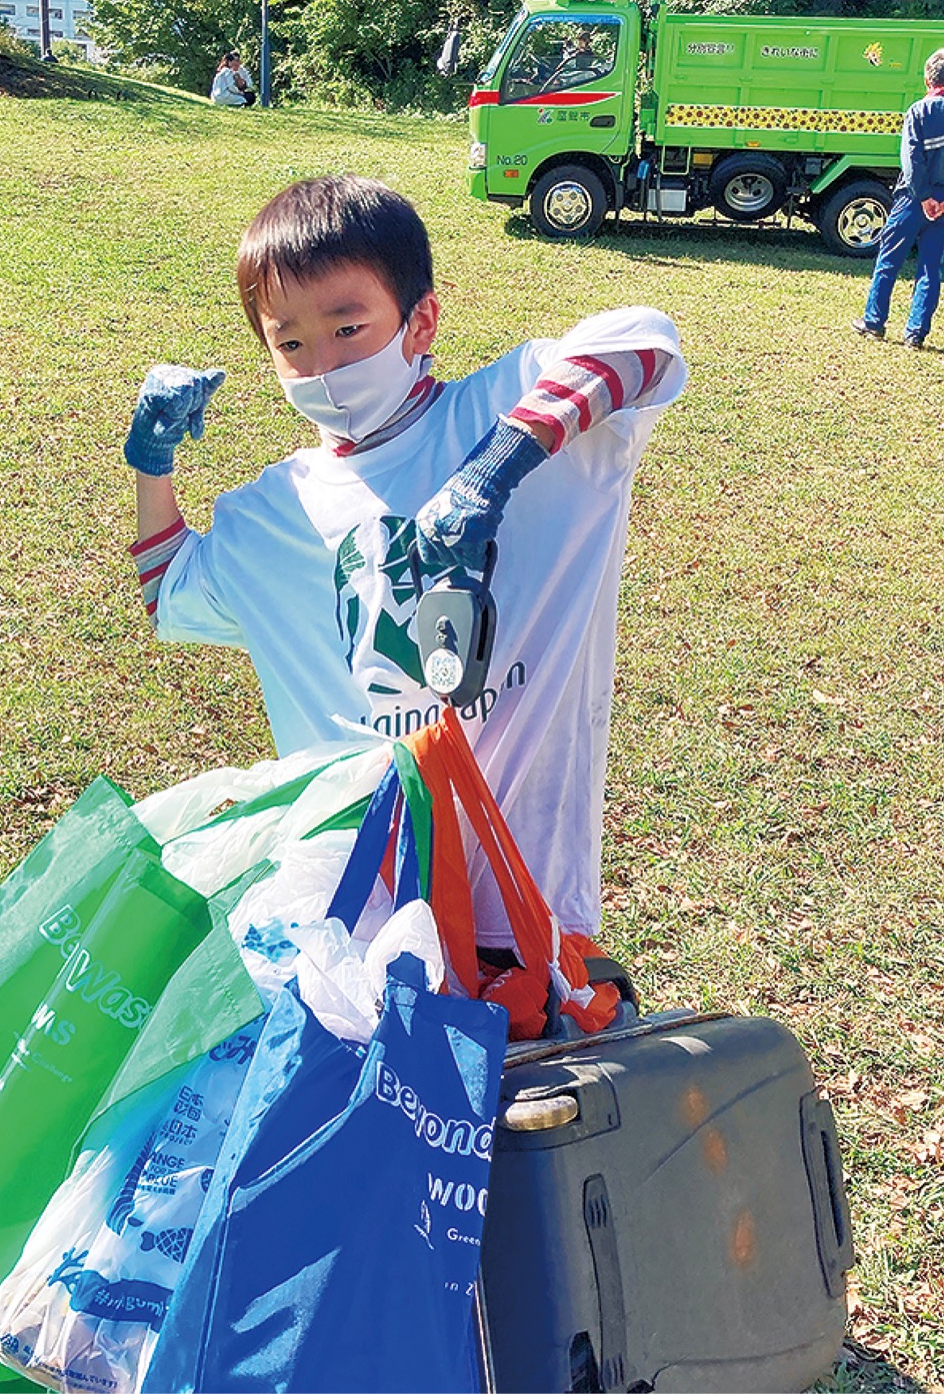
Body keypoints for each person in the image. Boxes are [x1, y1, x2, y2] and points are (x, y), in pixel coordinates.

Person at [123, 175, 685, 952]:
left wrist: (494, 470)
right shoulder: (268, 513)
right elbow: (170, 594)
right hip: (350, 924)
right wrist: (153, 463)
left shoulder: (508, 409)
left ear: (420, 321)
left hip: (522, 916)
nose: (320, 364)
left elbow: (645, 339)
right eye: (289, 343)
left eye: (348, 328)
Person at [852, 49, 944, 349]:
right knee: (930, 268)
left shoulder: (919, 111)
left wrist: (923, 197)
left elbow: (912, 159)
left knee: (889, 260)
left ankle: (874, 322)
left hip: (914, 199)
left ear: (927, 78)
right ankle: (916, 334)